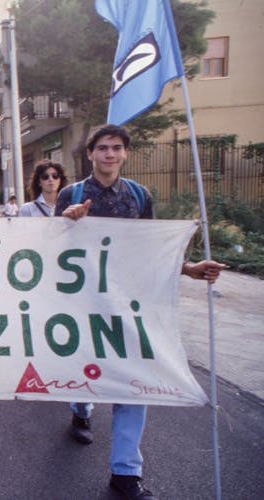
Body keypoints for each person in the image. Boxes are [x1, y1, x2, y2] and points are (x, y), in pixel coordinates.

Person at [56, 124, 225, 500]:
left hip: (131, 302)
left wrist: (189, 268)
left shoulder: (138, 195)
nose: (110, 154)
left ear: (125, 154)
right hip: (83, 303)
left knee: (134, 381)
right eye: (102, 148)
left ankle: (126, 472)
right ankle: (81, 409)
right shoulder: (72, 193)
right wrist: (66, 222)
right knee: (84, 371)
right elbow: (52, 248)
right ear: (91, 154)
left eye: (116, 148)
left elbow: (154, 249)